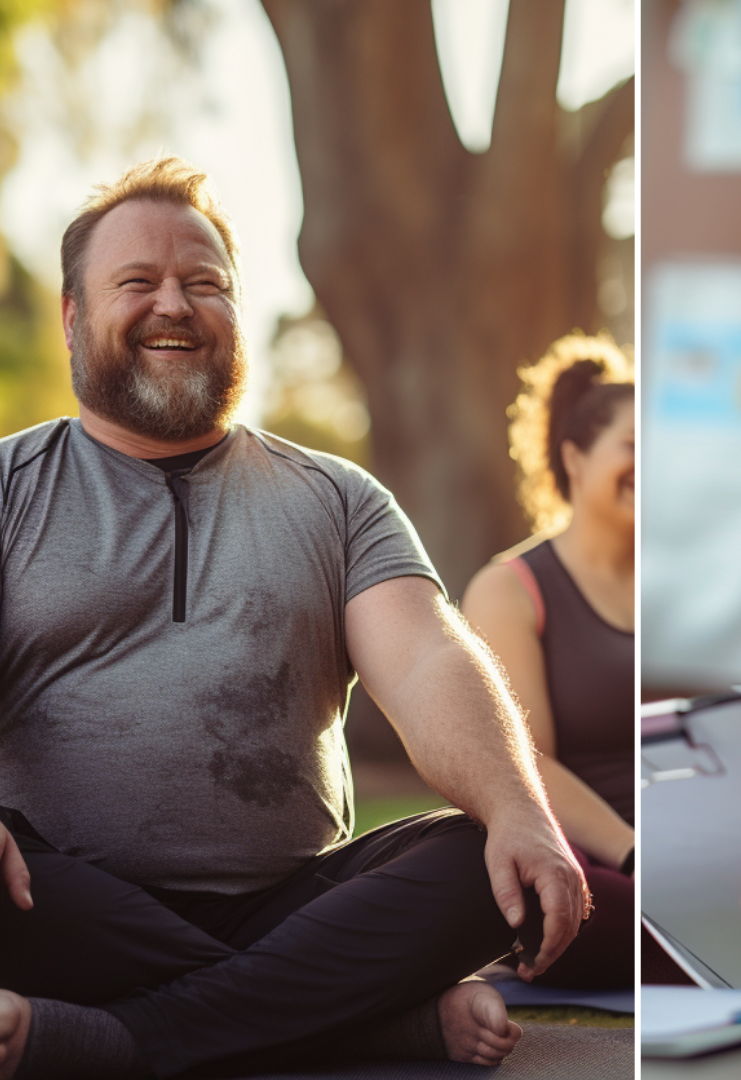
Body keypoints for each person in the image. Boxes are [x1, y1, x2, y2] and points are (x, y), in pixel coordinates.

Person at [0, 157, 587, 1078]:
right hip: (59, 897)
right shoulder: (7, 488)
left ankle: (116, 1041)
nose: (174, 305)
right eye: (137, 283)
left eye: (205, 284)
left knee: (484, 854)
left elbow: (428, 657)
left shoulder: (337, 498)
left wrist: (520, 809)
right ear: (75, 316)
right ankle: (355, 1019)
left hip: (296, 900)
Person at [463, 334, 634, 990]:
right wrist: (636, 854)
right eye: (633, 450)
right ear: (575, 457)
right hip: (586, 859)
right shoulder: (510, 588)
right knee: (576, 903)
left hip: (680, 849)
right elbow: (523, 760)